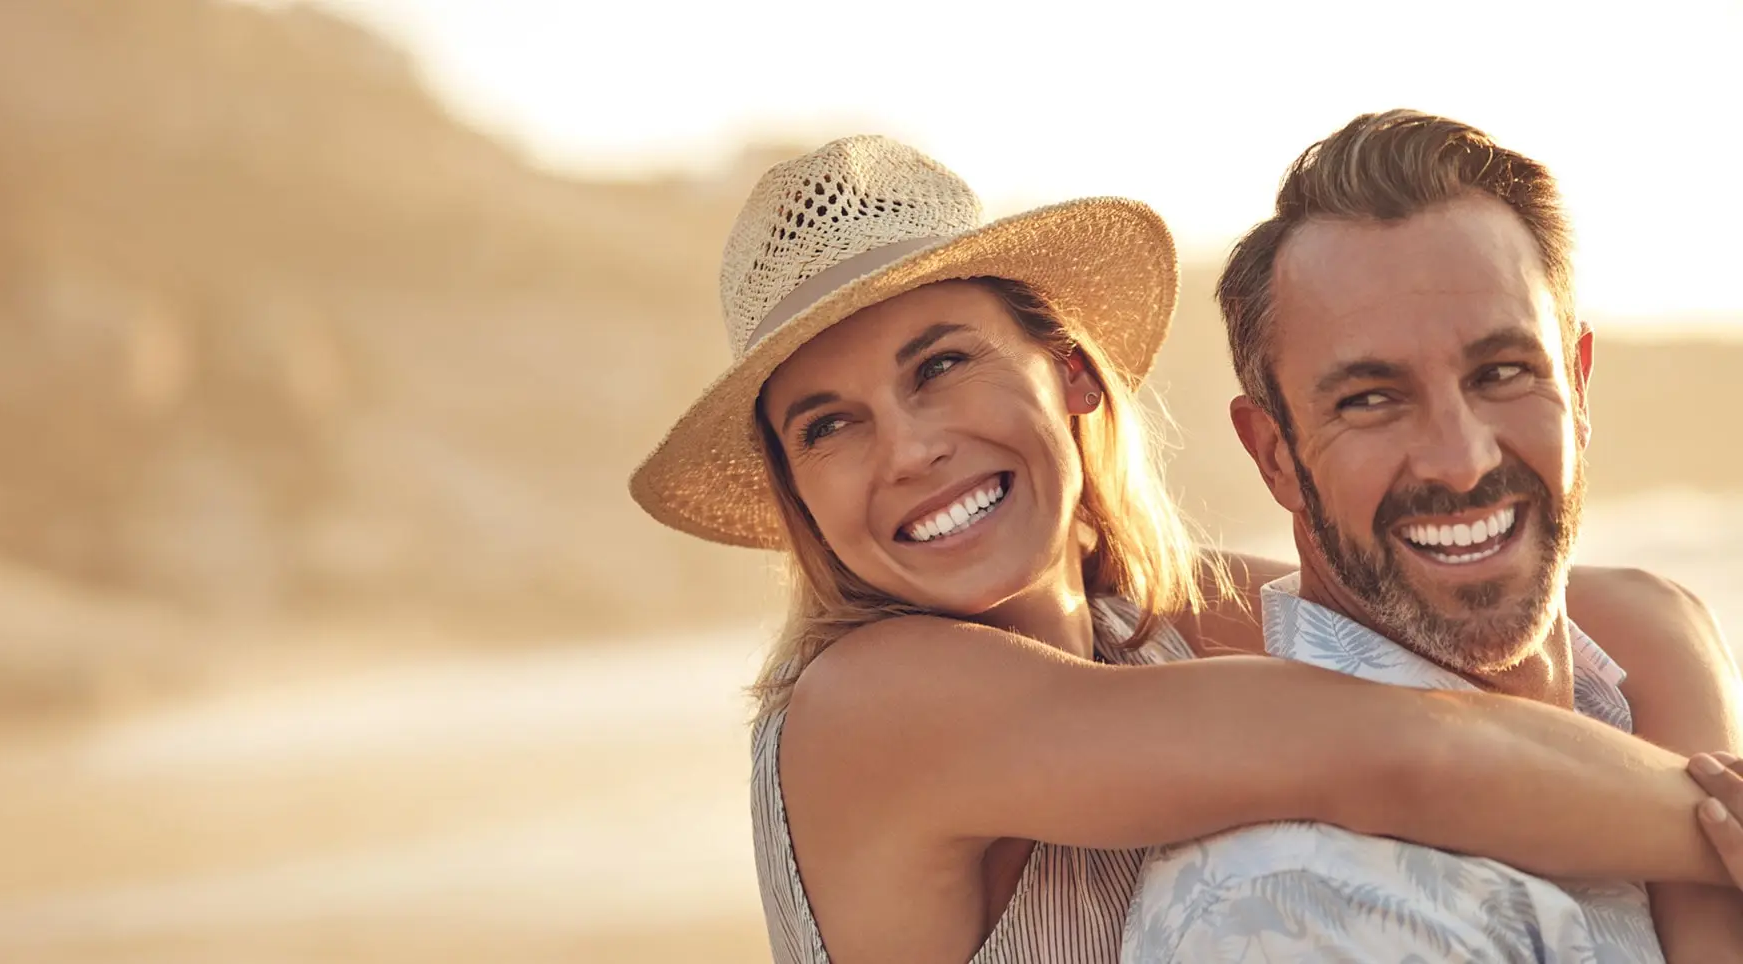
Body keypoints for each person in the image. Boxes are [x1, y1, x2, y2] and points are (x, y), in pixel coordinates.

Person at [626, 133, 1743, 964]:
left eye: (942, 365)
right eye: (829, 426)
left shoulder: (1147, 629)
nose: (910, 450)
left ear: (1070, 372)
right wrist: (1716, 827)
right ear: (798, 490)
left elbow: (1639, 615)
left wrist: (1709, 924)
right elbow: (1400, 752)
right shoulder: (868, 705)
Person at [1121, 109, 1741, 963]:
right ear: (1275, 455)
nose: (1460, 460)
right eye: (1372, 399)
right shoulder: (1306, 906)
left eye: (1502, 372)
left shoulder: (1635, 685)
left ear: (1579, 386)